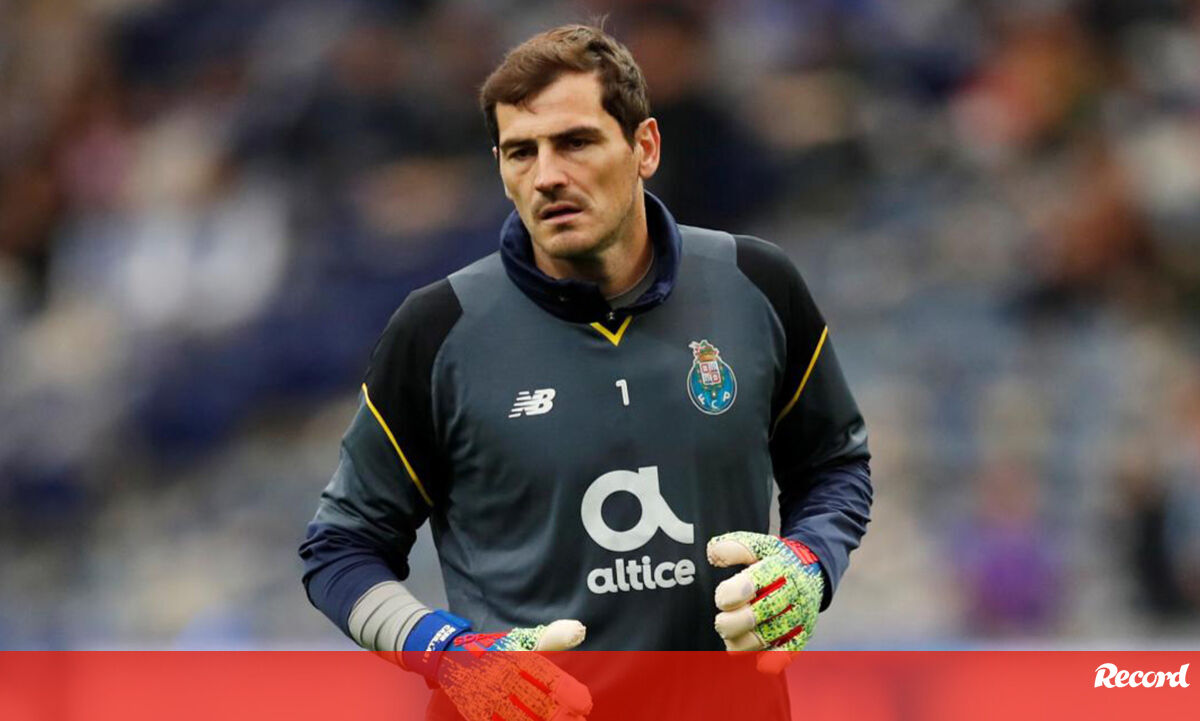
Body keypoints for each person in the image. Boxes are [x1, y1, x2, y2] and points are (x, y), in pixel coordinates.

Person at [299, 24, 871, 721]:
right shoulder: (438, 329)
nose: (547, 175)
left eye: (575, 142)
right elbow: (340, 548)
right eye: (521, 152)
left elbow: (834, 465)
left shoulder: (756, 284)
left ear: (644, 147)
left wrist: (809, 563)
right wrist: (445, 652)